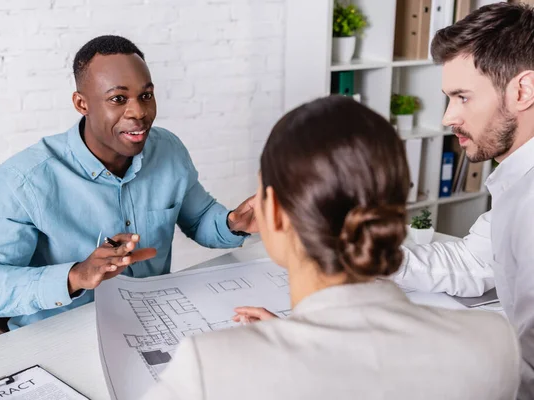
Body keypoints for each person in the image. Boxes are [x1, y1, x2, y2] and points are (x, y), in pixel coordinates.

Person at [141, 96, 520, 400]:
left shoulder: (208, 366)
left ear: (273, 213)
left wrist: (290, 345)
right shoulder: (494, 342)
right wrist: (304, 337)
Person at [0, 35, 257, 329]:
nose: (139, 112)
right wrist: (76, 276)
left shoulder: (168, 150)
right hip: (64, 339)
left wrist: (234, 222)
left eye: (146, 96)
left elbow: (201, 219)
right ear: (81, 103)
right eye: (118, 99)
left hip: (154, 322)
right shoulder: (26, 178)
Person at [389, 3, 534, 397]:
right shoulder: (518, 180)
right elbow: (474, 261)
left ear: (523, 90)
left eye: (462, 97)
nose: (448, 117)